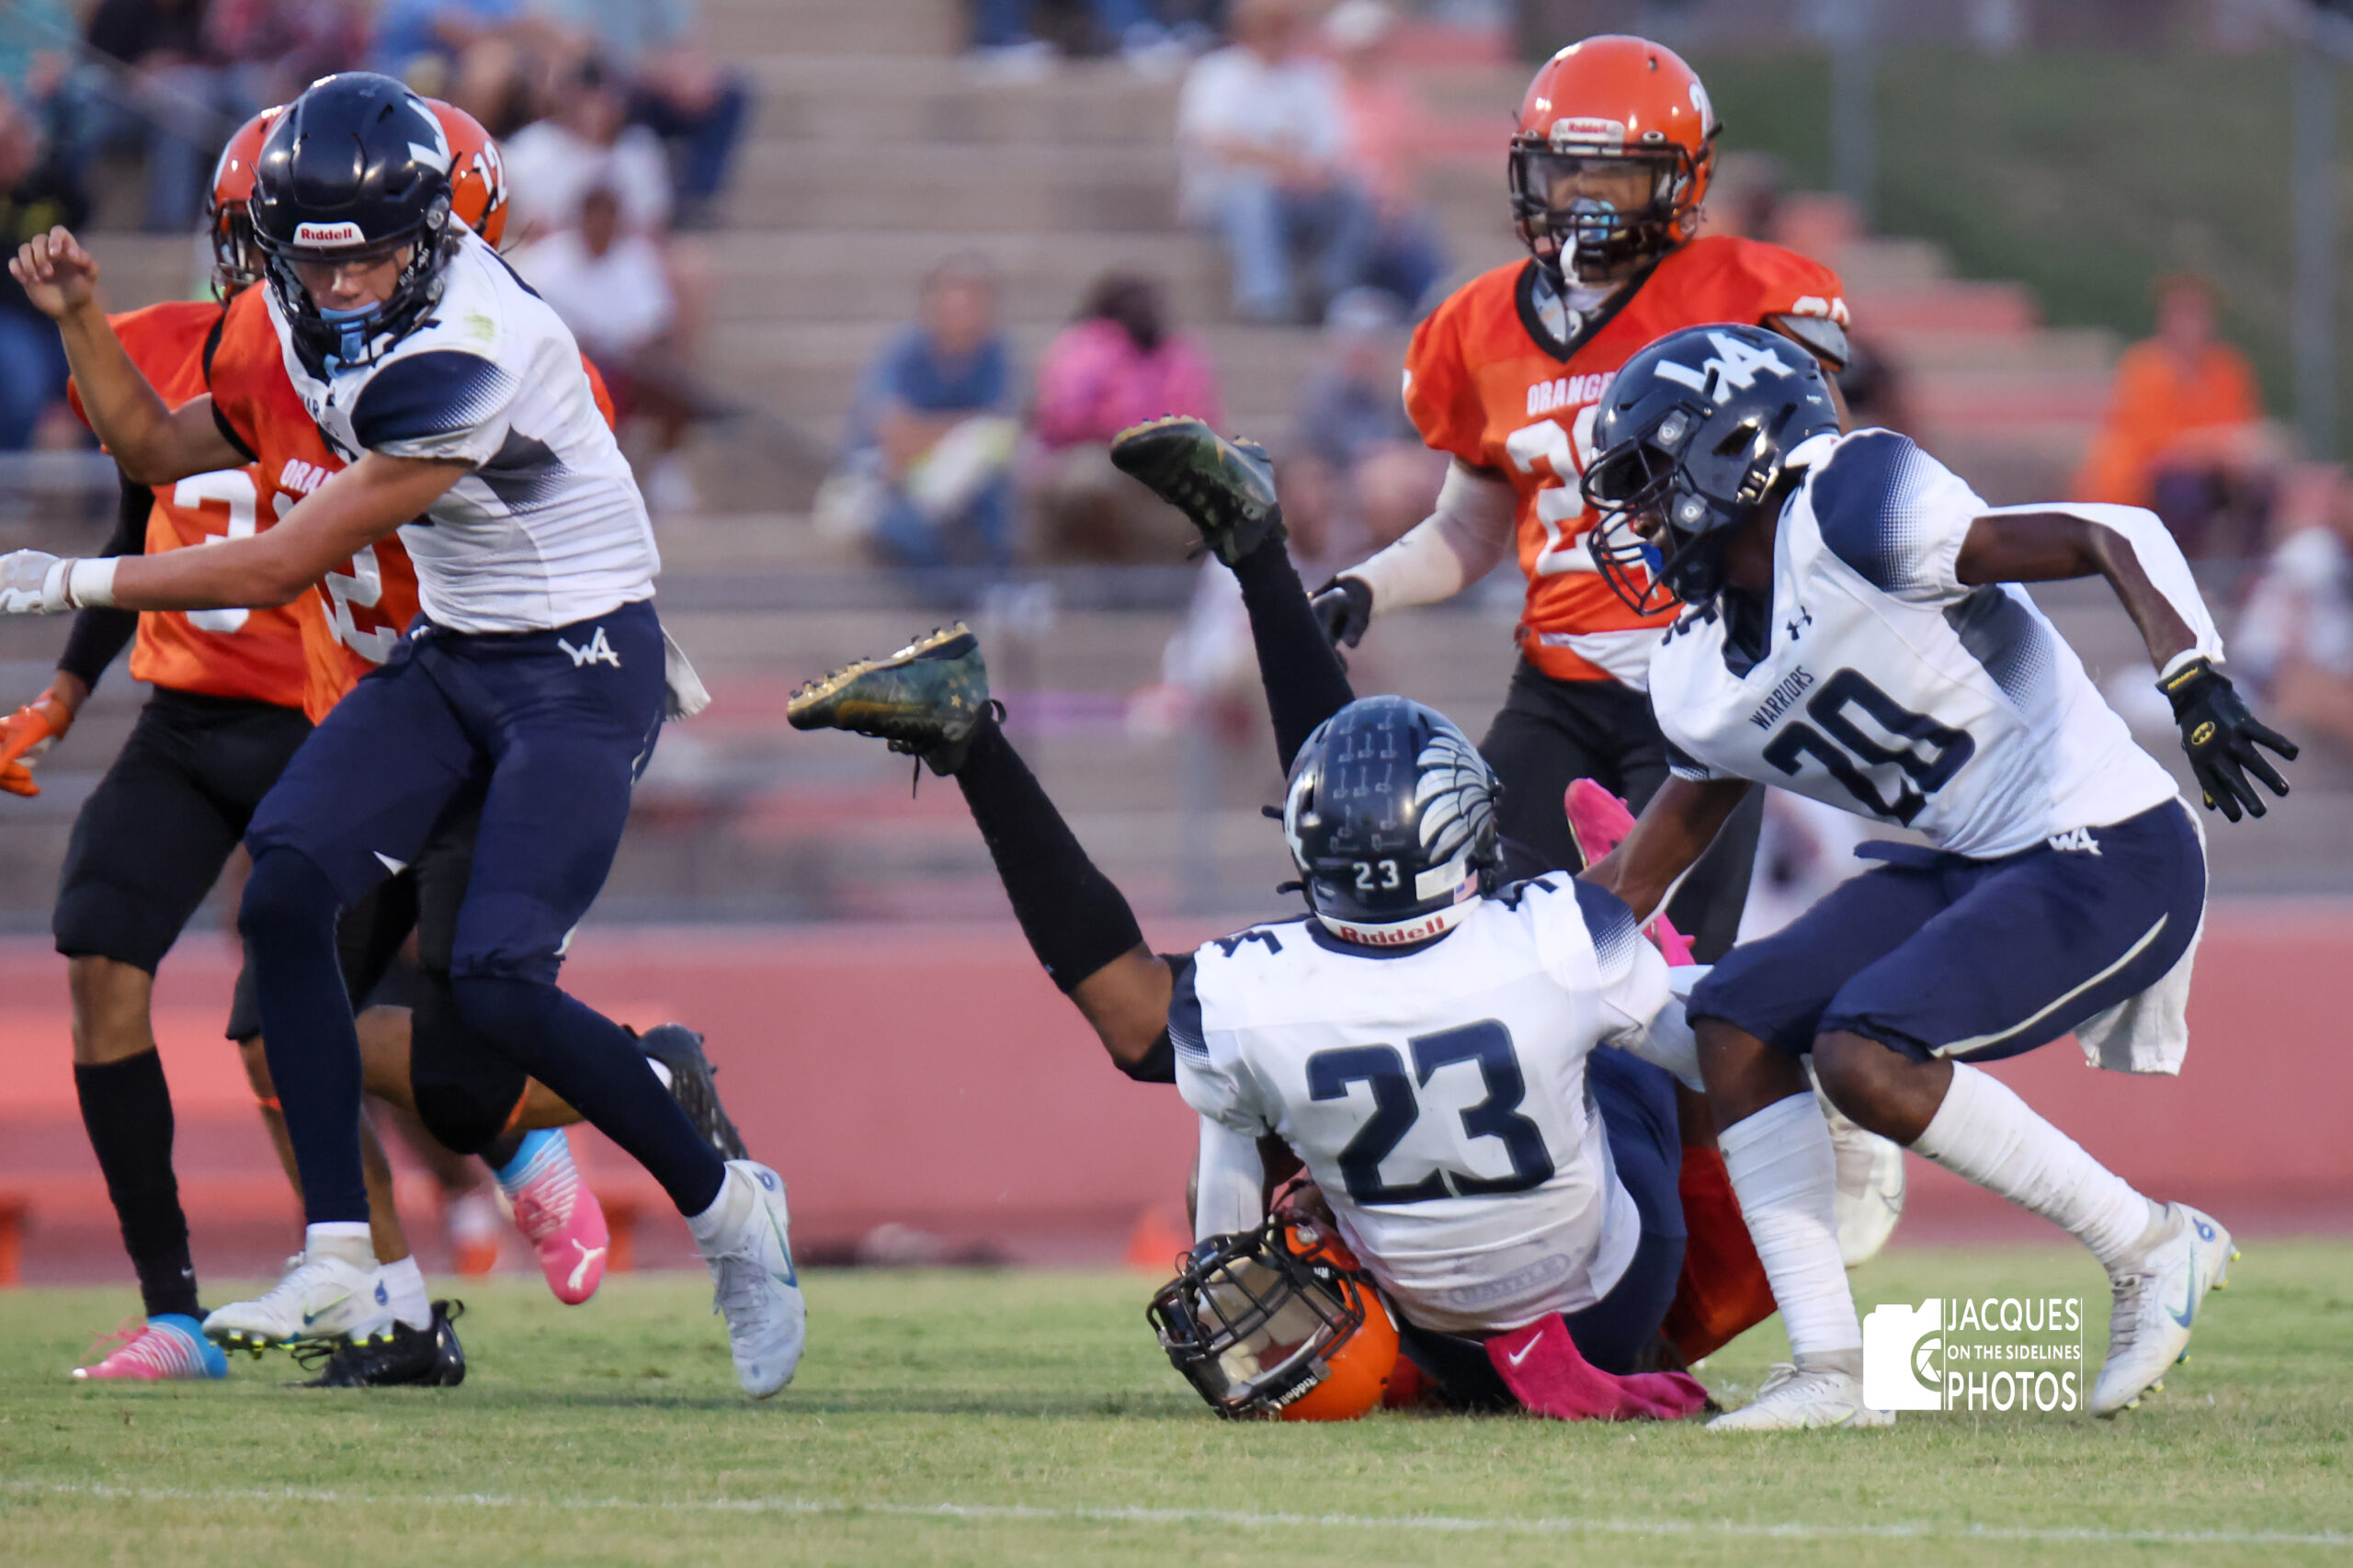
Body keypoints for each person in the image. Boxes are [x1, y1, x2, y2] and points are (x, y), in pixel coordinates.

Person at [1, 72, 801, 1399]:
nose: (350, 283)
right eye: (321, 258)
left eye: (375, 252)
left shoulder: (471, 341)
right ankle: (346, 1257)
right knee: (288, 885)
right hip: (458, 652)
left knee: (492, 984)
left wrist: (75, 583)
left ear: (432, 232)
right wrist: (85, 316)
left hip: (577, 663)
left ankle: (728, 1211)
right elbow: (158, 445)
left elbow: (279, 563)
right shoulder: (289, 313)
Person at [1572, 323, 2296, 1428]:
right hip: (1972, 862)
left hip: (2108, 844)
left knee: (1862, 1047)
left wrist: (2190, 674)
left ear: (1734, 448)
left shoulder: (1854, 504)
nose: (1632, 519)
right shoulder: (1695, 664)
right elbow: (1646, 862)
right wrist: (1502, 947)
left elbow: (2112, 527)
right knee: (1733, 1013)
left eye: (1648, 479)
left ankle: (2150, 1243)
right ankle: (1831, 1368)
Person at [788, 634, 1735, 1417]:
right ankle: (1667, 941)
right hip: (1611, 1303)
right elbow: (1702, 1049)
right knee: (1636, 1045)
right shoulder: (1554, 932)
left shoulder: (1252, 986)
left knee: (1248, 1088)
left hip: (1431, 1337)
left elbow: (1134, 1021)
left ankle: (972, 746)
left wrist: (1227, 1270)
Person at [1292, 38, 1853, 975]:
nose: (1585, 199)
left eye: (1616, 175)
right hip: (1555, 692)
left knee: (1660, 978)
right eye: (1565, 171)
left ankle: (1746, 1126)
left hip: (1701, 694)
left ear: (1680, 182)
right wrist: (1365, 585)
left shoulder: (1739, 295)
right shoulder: (1473, 326)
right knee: (1484, 958)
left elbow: (1824, 473)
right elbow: (1468, 529)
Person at [1176, 0, 1373, 325]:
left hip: (1299, 194)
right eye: (1266, 32)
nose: (1274, 41)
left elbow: (1333, 149)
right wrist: (1282, 162)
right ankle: (1266, 298)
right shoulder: (1217, 73)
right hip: (1221, 196)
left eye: (1281, 31)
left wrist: (1302, 171)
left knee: (1355, 195)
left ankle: (1329, 288)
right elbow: (1216, 143)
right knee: (1252, 192)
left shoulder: (1313, 77)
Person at [832, 254, 1020, 571]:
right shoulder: (903, 353)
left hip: (960, 481)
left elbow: (998, 429)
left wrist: (933, 435)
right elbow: (892, 430)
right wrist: (952, 431)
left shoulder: (995, 356)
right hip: (891, 474)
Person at [2073, 272, 2279, 560]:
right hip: (2148, 479)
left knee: (2258, 488)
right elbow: (2155, 447)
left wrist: (2228, 452)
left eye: (2197, 314)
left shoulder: (2227, 368)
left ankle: (2249, 576)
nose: (2190, 324)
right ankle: (2177, 571)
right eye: (2182, 313)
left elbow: (2242, 434)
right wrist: (2213, 447)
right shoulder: (2144, 367)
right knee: (2183, 491)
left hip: (2210, 474)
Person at [1025, 270, 1221, 562]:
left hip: (1164, 461)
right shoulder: (1085, 347)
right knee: (1088, 480)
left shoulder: (1178, 353)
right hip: (1096, 454)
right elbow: (1061, 418)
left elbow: (1200, 420)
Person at [1321, 0, 1445, 313]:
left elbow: (1414, 158)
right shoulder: (1322, 91)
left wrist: (1395, 204)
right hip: (1341, 201)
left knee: (1412, 232)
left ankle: (1434, 306)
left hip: (1390, 205)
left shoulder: (1397, 92)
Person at [0, 84, 85, 449]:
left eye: (15, 141)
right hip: (9, 318)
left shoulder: (52, 186)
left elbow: (80, 222)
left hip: (50, 316)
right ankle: (10, 485)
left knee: (98, 380)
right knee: (23, 380)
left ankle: (112, 489)